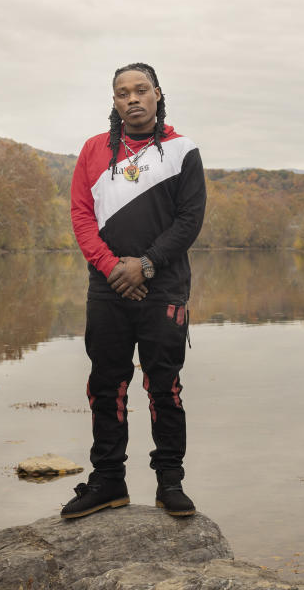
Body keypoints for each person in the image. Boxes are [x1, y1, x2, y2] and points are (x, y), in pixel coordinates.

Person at [64, 63, 206, 519]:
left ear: (158, 94)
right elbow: (81, 216)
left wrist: (144, 266)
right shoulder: (92, 151)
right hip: (107, 288)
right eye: (123, 92)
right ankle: (108, 481)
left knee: (164, 386)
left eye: (141, 90)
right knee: (108, 384)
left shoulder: (183, 151)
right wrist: (112, 268)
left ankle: (170, 483)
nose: (133, 99)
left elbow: (189, 221)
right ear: (114, 101)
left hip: (164, 286)